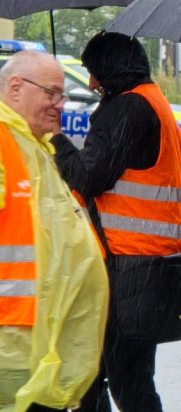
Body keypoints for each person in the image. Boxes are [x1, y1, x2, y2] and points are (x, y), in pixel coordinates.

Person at [51, 32, 181, 412]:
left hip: (121, 266)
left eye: (95, 74)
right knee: (127, 377)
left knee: (111, 378)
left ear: (112, 69)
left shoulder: (127, 109)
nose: (93, 83)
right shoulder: (152, 101)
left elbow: (88, 177)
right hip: (148, 265)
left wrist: (56, 138)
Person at [0, 51, 108, 412]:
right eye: (51, 93)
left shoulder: (34, 149)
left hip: (32, 337)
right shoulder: (4, 145)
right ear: (16, 88)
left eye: (60, 95)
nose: (59, 105)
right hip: (9, 338)